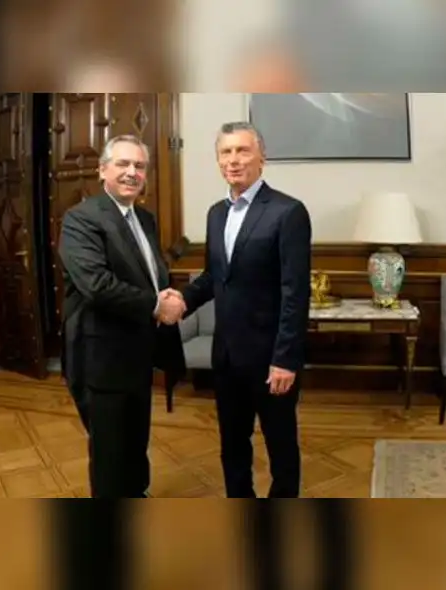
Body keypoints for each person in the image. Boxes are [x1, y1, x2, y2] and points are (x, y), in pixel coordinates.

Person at [177, 121, 311, 498]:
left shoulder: (288, 212)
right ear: (218, 161)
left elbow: (295, 294)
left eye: (242, 151)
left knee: (281, 446)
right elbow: (213, 276)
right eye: (226, 152)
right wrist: (181, 301)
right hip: (227, 357)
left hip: (272, 361)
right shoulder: (216, 214)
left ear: (261, 158)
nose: (233, 160)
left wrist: (285, 359)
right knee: (233, 445)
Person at [58, 134, 187, 498]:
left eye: (140, 166)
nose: (132, 172)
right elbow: (96, 285)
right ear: (102, 170)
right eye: (123, 164)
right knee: (110, 453)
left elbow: (149, 273)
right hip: (101, 357)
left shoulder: (143, 218)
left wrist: (168, 293)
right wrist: (156, 305)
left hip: (137, 353)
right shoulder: (80, 219)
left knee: (135, 442)